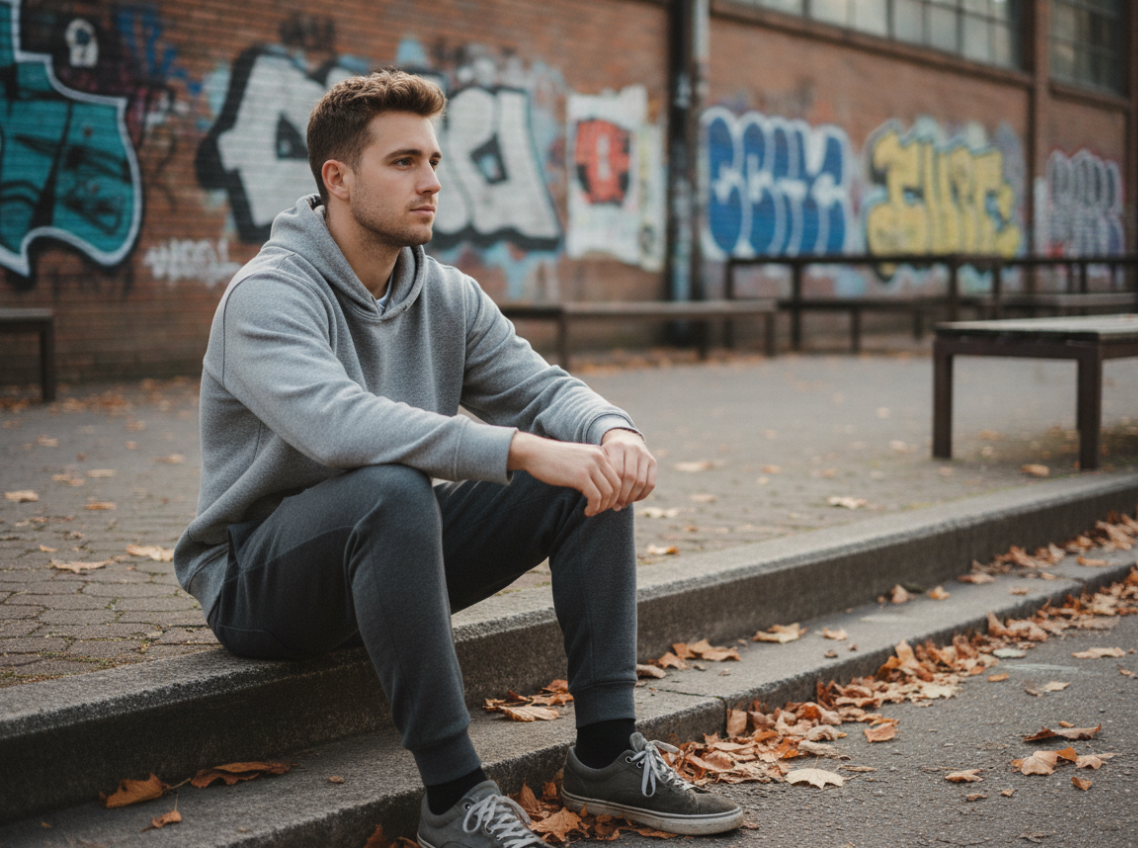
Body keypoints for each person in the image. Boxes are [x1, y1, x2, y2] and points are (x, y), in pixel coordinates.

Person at [174, 68, 743, 848]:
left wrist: (614, 433)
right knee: (392, 486)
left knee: (582, 470)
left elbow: (543, 390)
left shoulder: (446, 294)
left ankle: (608, 753)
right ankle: (454, 798)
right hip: (264, 584)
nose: (432, 182)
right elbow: (342, 427)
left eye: (434, 161)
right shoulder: (268, 294)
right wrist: (519, 450)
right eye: (404, 162)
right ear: (337, 179)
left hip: (390, 565)